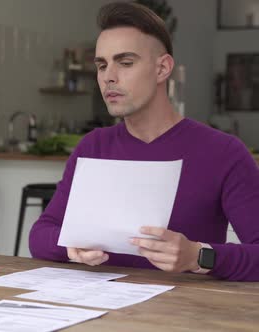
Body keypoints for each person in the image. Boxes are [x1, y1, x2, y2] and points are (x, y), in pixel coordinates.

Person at [29, 2, 259, 281]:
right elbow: (41, 234)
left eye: (125, 63)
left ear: (162, 69)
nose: (108, 77)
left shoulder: (224, 152)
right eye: (102, 65)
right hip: (98, 309)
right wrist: (69, 247)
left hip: (182, 315)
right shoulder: (93, 147)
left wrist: (198, 256)